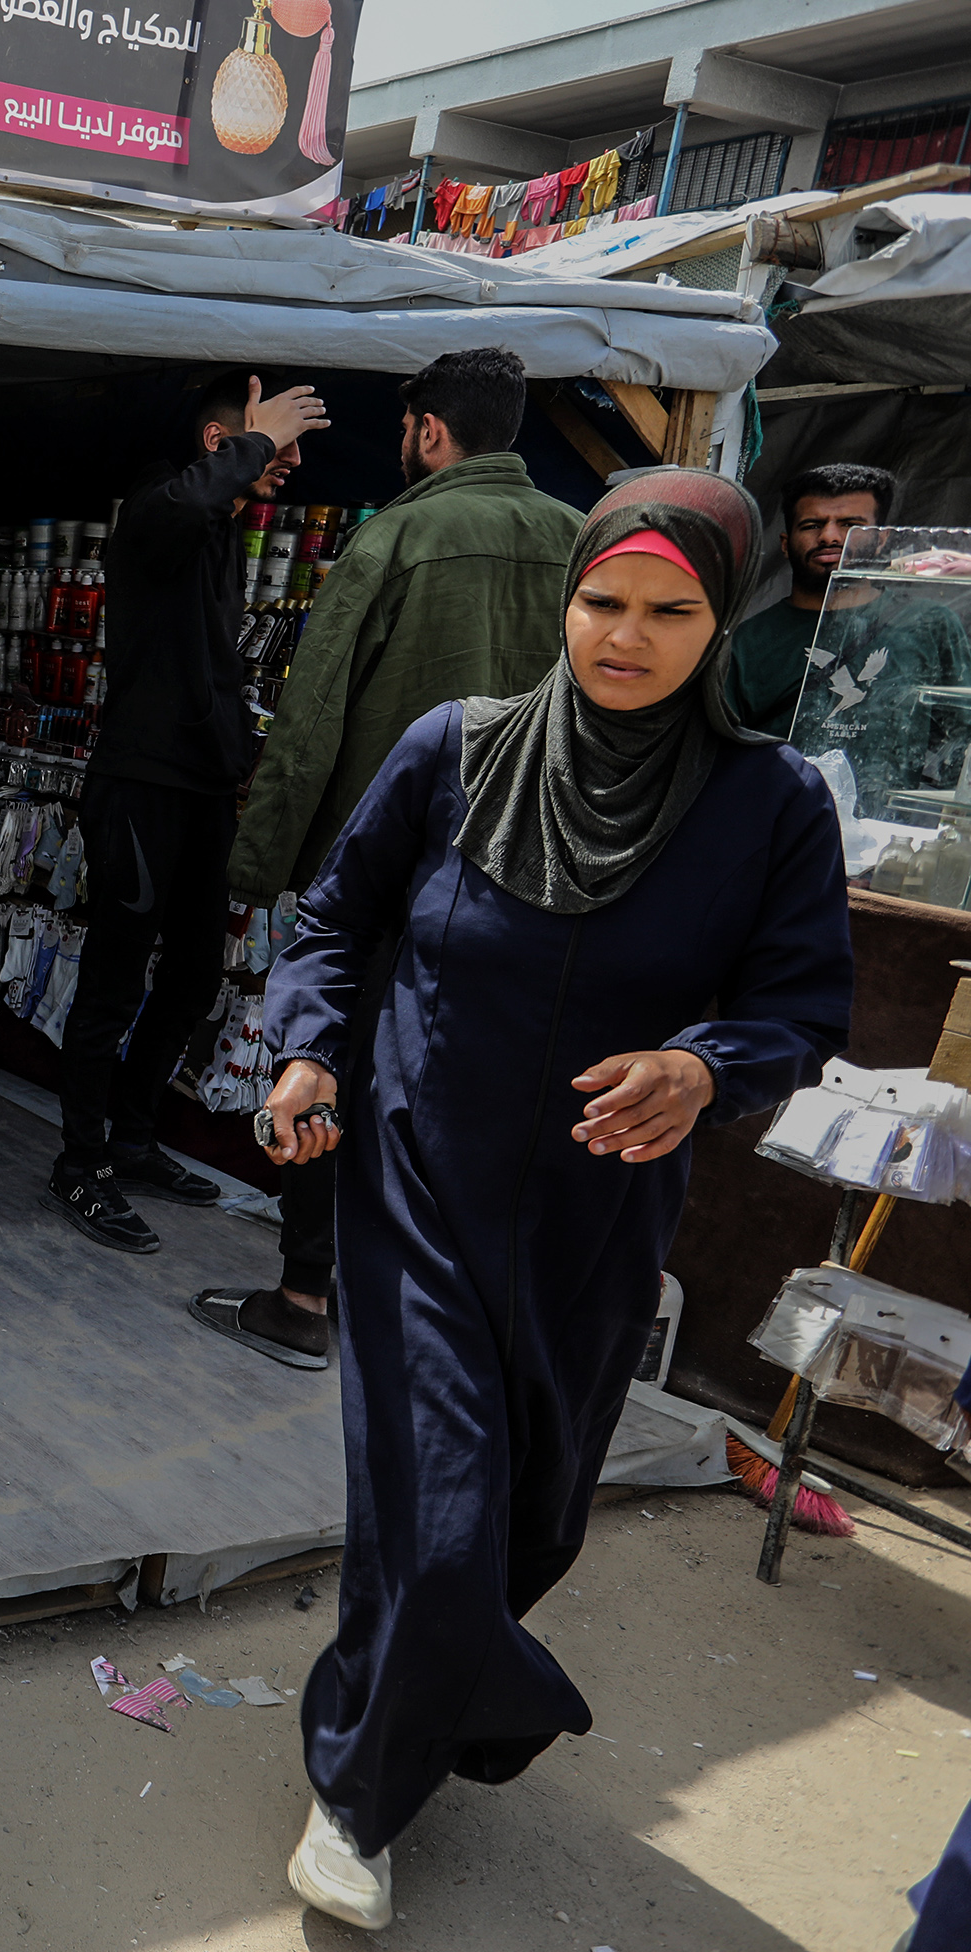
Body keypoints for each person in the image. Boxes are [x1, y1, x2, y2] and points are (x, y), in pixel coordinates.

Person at [250, 469, 849, 1930]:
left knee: (526, 1530)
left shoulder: (770, 806)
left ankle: (431, 1690)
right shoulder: (454, 749)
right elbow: (335, 919)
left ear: (723, 621)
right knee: (438, 1521)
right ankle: (360, 1794)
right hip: (416, 1183)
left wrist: (704, 1068)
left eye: (669, 611)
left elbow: (799, 1005)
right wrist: (308, 1047)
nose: (625, 637)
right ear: (563, 599)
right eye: (601, 602)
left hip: (597, 1220)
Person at [204, 347, 580, 1368]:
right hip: (533, 877)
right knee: (462, 1089)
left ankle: (303, 1297)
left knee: (326, 1071)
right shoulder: (588, 543)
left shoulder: (397, 535)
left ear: (427, 431)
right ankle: (428, 1308)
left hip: (389, 868)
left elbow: (312, 715)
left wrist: (259, 868)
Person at [48, 370, 329, 1255]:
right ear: (222, 444)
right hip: (139, 782)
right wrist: (254, 440)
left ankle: (131, 1139)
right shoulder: (154, 510)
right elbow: (171, 515)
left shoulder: (217, 532)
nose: (287, 464)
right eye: (274, 446)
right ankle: (80, 1161)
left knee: (195, 973)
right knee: (115, 976)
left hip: (203, 787)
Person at [728, 461, 971, 813]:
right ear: (785, 543)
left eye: (850, 525)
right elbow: (723, 758)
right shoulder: (748, 642)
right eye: (812, 525)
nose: (829, 536)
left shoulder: (929, 625)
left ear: (883, 537)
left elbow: (961, 738)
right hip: (781, 839)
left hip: (894, 840)